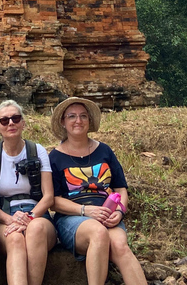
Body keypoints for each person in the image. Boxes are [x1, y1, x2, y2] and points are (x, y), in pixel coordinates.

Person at [49, 97, 148, 285]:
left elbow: (120, 187)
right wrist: (86, 211)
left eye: (83, 116)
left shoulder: (104, 150)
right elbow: (53, 200)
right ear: (63, 121)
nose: (78, 121)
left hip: (108, 213)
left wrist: (119, 211)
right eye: (72, 116)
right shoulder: (54, 157)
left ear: (89, 121)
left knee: (120, 246)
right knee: (98, 233)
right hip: (74, 218)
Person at [0, 100, 57, 285]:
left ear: (23, 123)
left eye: (16, 118)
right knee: (14, 238)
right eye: (4, 120)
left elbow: (48, 196)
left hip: (37, 215)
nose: (11, 123)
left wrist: (29, 217)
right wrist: (11, 220)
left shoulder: (37, 150)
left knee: (36, 229)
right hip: (4, 217)